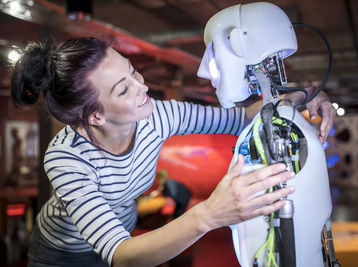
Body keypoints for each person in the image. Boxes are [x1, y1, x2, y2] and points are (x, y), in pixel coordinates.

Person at [10, 37, 334, 267]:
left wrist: (303, 96)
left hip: (124, 236)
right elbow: (122, 255)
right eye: (123, 89)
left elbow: (243, 117)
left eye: (132, 71)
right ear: (95, 116)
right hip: (63, 254)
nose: (143, 86)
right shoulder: (65, 157)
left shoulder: (158, 115)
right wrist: (210, 214)